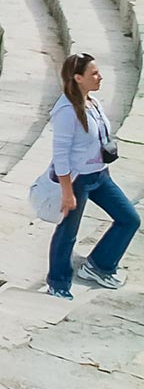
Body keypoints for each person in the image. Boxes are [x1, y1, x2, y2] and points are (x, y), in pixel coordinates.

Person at [46, 53, 135, 298]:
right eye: (93, 73)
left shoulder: (92, 102)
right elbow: (60, 154)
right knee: (67, 233)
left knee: (129, 219)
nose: (100, 77)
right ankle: (58, 283)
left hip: (100, 175)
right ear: (78, 78)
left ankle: (98, 266)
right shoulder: (66, 111)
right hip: (78, 180)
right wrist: (67, 192)